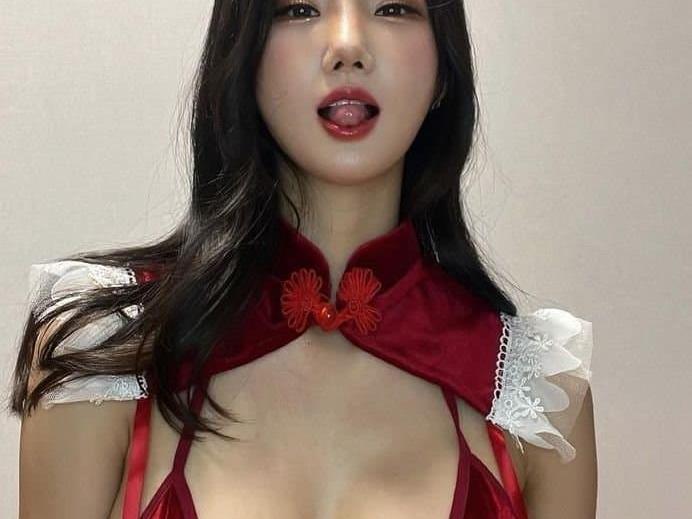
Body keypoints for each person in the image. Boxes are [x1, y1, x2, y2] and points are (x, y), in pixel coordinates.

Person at [10, 1, 597, 518]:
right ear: (243, 54)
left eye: (394, 7)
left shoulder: (537, 398)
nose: (348, 46)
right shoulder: (104, 358)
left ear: (445, 66)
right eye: (297, 8)